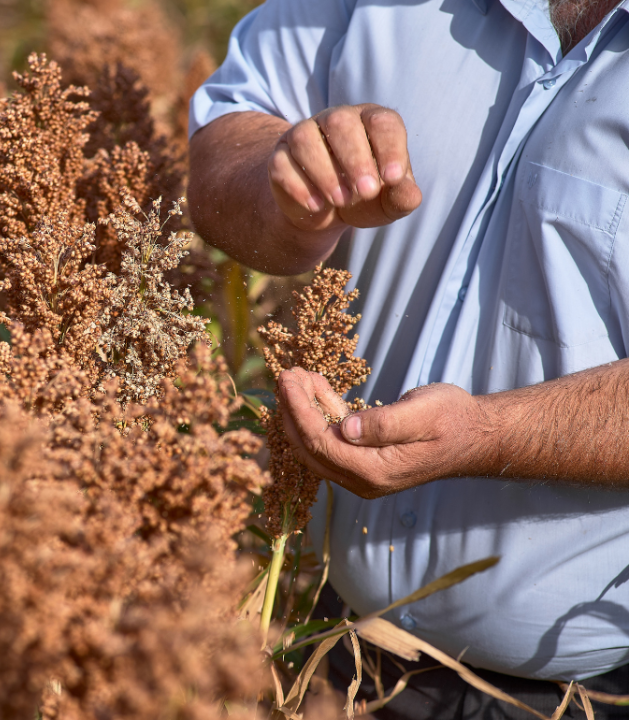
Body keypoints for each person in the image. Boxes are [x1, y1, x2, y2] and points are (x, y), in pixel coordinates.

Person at [187, 0, 629, 715]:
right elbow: (224, 139)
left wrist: (492, 435)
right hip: (325, 641)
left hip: (568, 693)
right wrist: (284, 189)